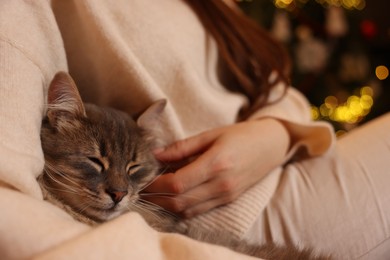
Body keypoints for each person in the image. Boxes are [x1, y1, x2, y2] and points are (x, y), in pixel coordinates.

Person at [0, 0, 389, 259]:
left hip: (285, 163)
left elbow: (278, 91)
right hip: (222, 220)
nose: (116, 187)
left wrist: (276, 135)